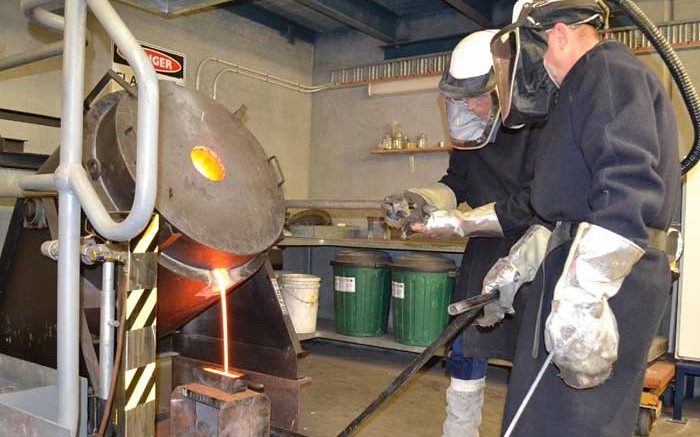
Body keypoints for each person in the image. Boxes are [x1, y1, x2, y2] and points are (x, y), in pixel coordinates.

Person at [480, 1, 681, 435]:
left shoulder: (603, 72)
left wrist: (584, 299)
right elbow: (571, 201)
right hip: (587, 266)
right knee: (554, 418)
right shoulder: (588, 84)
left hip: (602, 278)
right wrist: (521, 263)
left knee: (566, 422)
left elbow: (627, 185)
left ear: (557, 34)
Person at [383, 30, 540, 437]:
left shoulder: (540, 128)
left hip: (534, 252)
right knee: (466, 347)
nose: (469, 105)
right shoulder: (472, 132)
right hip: (484, 250)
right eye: (462, 97)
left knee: (535, 354)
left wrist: (459, 223)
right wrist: (424, 198)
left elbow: (535, 202)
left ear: (504, 84)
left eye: (478, 95)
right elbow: (458, 183)